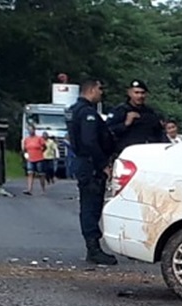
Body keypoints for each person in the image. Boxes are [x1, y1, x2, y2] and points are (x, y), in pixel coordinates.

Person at [67, 79, 118, 265]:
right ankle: (93, 249)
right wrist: (103, 163)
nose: (101, 93)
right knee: (91, 205)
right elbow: (89, 141)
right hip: (90, 165)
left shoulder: (74, 110)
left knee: (89, 204)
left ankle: (93, 247)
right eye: (100, 89)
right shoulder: (87, 113)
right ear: (91, 89)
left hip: (83, 163)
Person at [105, 79, 167, 155]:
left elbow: (159, 133)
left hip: (147, 153)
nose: (140, 96)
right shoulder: (120, 110)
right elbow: (108, 131)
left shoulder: (150, 112)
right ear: (129, 93)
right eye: (136, 93)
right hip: (126, 153)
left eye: (142, 93)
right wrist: (125, 124)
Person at [22, 126, 47, 195]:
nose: (30, 131)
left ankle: (43, 189)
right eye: (29, 130)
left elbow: (44, 146)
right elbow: (25, 149)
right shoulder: (27, 139)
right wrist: (26, 154)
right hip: (30, 158)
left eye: (31, 130)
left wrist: (41, 151)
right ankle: (29, 189)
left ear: (34, 130)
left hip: (39, 158)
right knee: (30, 173)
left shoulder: (39, 138)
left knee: (41, 174)